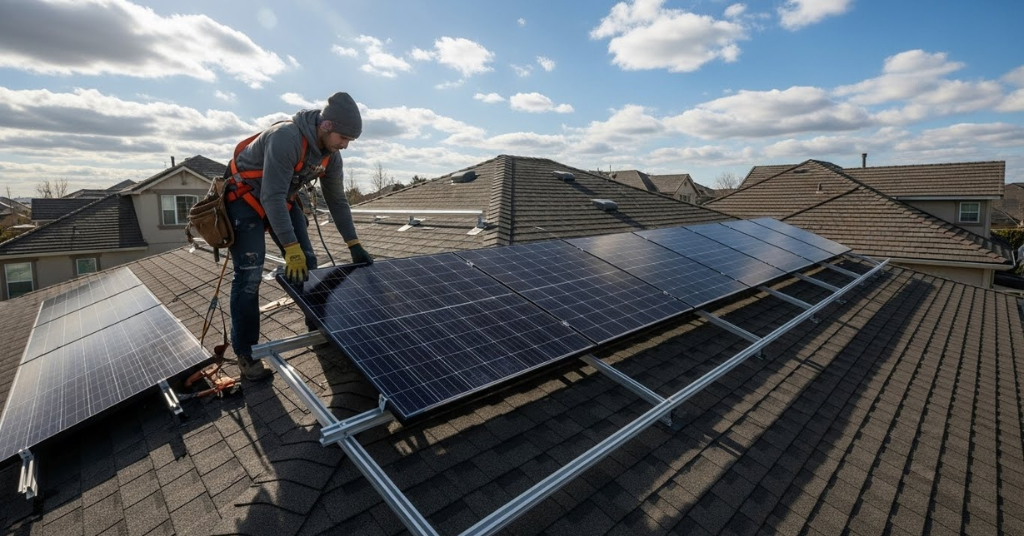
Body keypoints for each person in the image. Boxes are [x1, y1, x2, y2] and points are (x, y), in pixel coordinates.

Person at [224, 91, 373, 380]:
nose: (345, 145)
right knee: (249, 276)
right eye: (343, 138)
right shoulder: (287, 137)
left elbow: (338, 201)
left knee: (308, 261)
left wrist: (353, 242)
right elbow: (271, 196)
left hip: (282, 199)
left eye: (349, 141)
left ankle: (315, 323)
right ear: (326, 126)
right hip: (244, 200)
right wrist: (289, 246)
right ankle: (246, 353)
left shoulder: (331, 157)